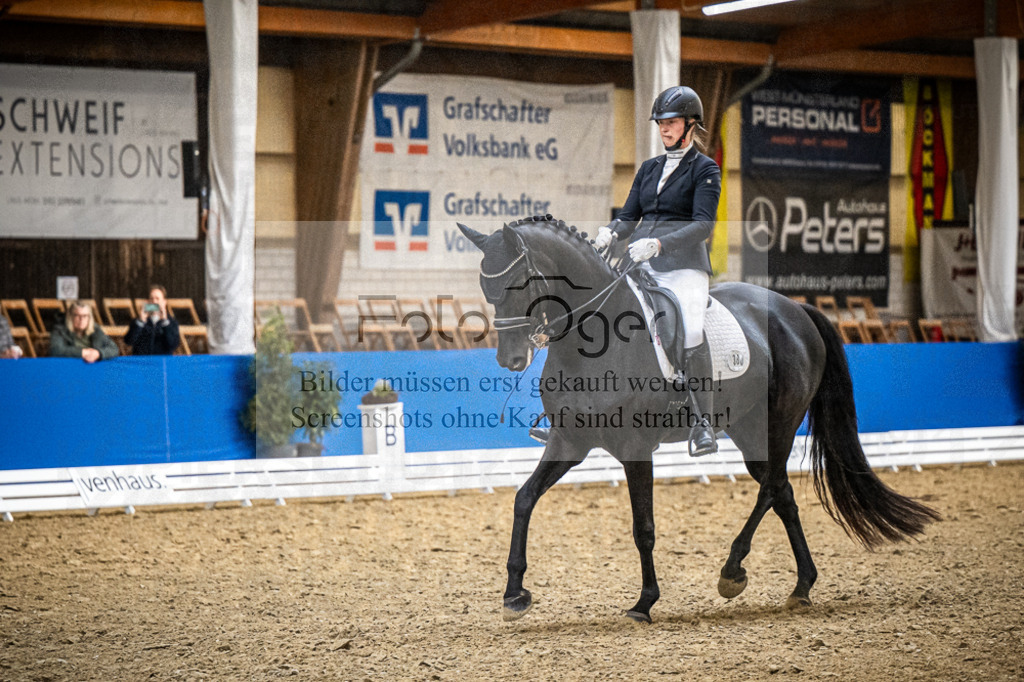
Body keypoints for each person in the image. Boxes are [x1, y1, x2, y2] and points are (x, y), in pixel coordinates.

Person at [594, 85, 722, 456]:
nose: (664, 129)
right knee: (600, 313)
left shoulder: (705, 169)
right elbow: (629, 215)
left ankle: (702, 422)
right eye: (661, 123)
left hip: (683, 267)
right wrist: (610, 232)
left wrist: (661, 244)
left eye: (671, 122)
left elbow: (703, 225)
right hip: (641, 263)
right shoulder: (649, 168)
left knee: (691, 328)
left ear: (690, 123)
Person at [49, 301, 119, 363]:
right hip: (68, 367)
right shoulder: (60, 329)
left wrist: (98, 353)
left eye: (85, 316)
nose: (81, 319)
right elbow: (55, 350)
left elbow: (114, 348)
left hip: (92, 368)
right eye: (77, 315)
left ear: (89, 318)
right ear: (70, 316)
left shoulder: (96, 329)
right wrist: (83, 352)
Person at [125, 284, 181, 355]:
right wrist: (140, 322)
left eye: (157, 299)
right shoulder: (137, 322)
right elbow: (128, 341)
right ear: (147, 302)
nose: (154, 302)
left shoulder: (171, 322)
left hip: (161, 363)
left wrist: (165, 323)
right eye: (151, 299)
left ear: (164, 302)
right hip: (142, 363)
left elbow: (173, 345)